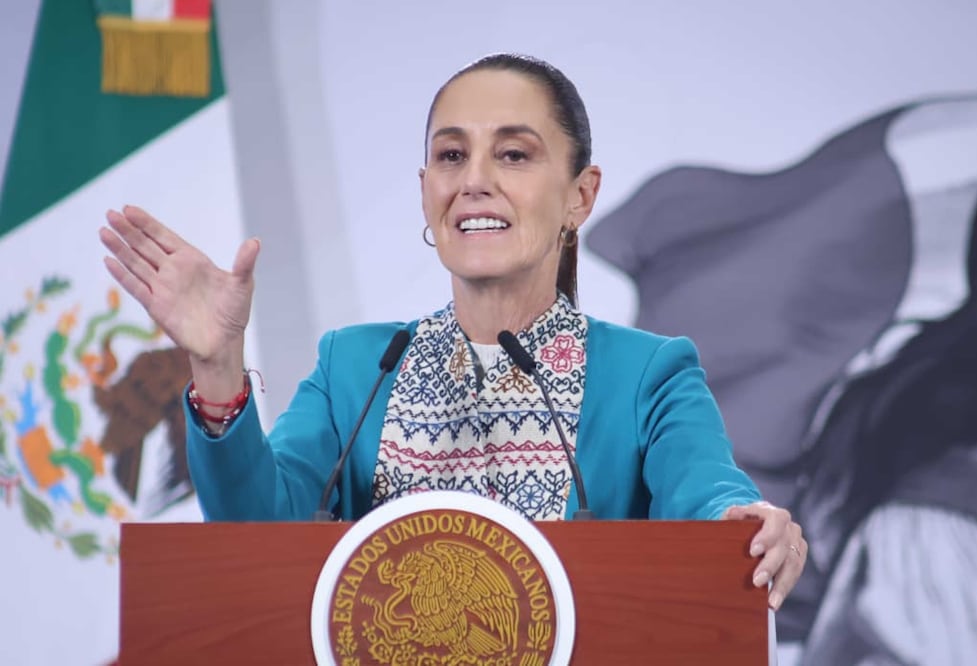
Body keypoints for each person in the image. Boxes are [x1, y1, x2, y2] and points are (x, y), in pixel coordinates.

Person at [98, 53, 806, 610]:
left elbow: (707, 495)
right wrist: (218, 365)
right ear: (426, 191)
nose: (473, 181)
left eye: (514, 154)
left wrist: (746, 524)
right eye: (450, 155)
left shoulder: (649, 374)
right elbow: (257, 538)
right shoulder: (354, 366)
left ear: (579, 196)